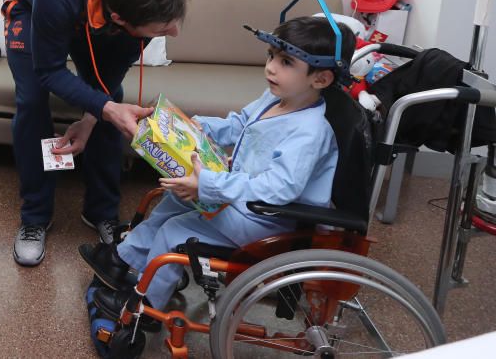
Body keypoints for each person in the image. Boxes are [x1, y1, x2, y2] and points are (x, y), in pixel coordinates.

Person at [82, 16, 356, 319]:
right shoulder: (276, 98)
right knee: (175, 198)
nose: (271, 67)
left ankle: (145, 310)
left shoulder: (310, 132)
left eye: (286, 62)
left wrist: (208, 185)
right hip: (244, 200)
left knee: (176, 231)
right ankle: (124, 259)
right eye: (271, 56)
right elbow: (240, 124)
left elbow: (278, 189)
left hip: (270, 222)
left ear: (320, 79)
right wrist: (194, 126)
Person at [4, 0, 189, 266]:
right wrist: (103, 108)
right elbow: (48, 71)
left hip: (89, 4)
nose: (173, 33)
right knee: (32, 100)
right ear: (120, 19)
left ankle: (102, 212)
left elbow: (108, 80)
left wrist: (93, 116)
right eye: (164, 28)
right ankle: (34, 216)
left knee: (111, 102)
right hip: (34, 1)